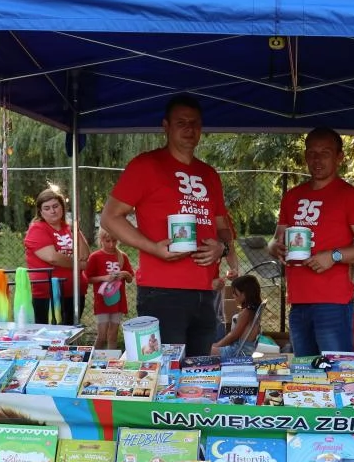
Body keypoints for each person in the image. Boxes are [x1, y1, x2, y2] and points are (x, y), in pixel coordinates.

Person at [100, 94, 239, 357]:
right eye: (181, 123)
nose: (189, 129)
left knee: (199, 375)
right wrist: (152, 247)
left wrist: (222, 247)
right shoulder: (146, 165)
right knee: (164, 376)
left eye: (195, 123)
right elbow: (110, 217)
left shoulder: (209, 175)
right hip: (162, 291)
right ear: (166, 126)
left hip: (206, 290)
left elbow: (223, 226)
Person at [268, 127, 354, 356]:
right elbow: (275, 239)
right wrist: (274, 248)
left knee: (337, 373)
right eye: (311, 153)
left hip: (333, 304)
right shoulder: (292, 196)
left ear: (339, 157)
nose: (317, 159)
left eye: (325, 153)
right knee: (306, 375)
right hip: (299, 303)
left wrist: (334, 256)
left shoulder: (350, 196)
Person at [24, 188, 91, 324]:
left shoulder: (68, 228)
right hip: (47, 295)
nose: (52, 211)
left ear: (62, 207)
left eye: (55, 206)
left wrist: (76, 230)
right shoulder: (37, 229)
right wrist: (79, 265)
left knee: (71, 333)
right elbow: (52, 257)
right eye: (47, 208)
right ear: (41, 212)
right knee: (49, 337)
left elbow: (85, 255)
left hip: (74, 292)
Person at [85, 227, 135, 349]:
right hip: (102, 302)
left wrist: (125, 274)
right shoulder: (95, 257)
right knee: (102, 336)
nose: (111, 244)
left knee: (113, 336)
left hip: (117, 302)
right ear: (101, 240)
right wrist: (104, 278)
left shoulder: (122, 256)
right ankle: (93, 361)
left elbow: (130, 279)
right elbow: (88, 278)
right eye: (108, 241)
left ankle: (111, 363)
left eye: (114, 241)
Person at [212, 275, 262, 358]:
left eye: (235, 292)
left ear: (244, 293)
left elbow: (234, 335)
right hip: (246, 349)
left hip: (237, 351)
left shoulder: (246, 312)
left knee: (202, 350)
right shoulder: (254, 309)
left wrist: (217, 345)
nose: (233, 295)